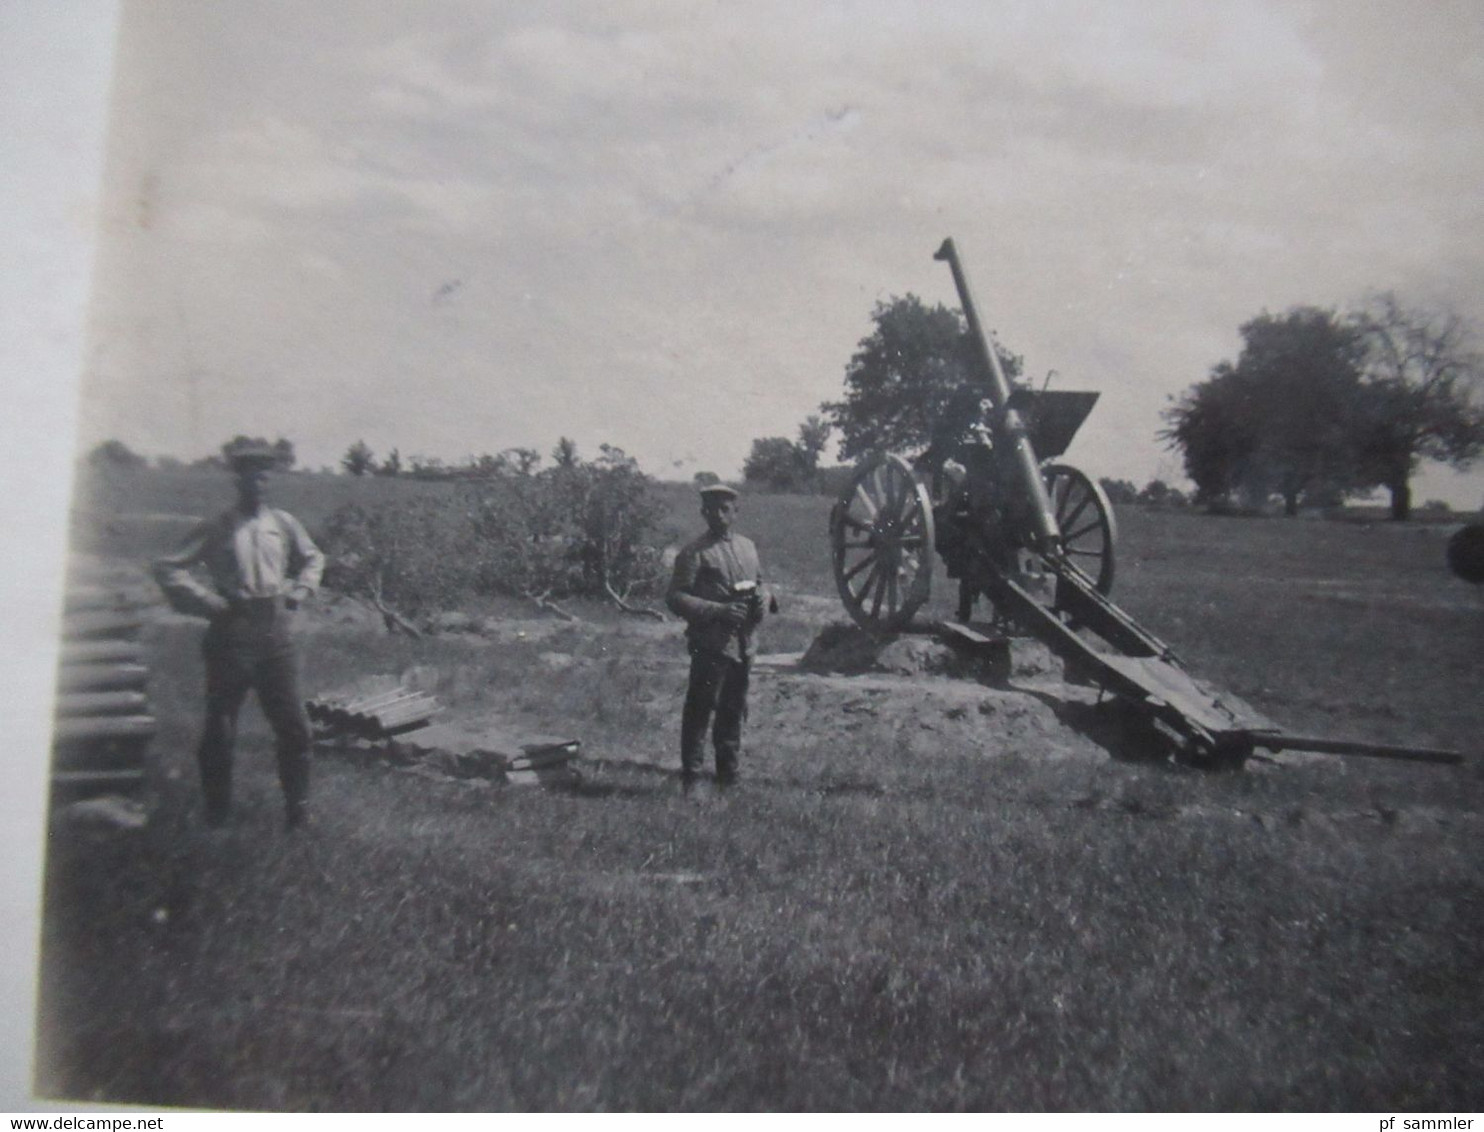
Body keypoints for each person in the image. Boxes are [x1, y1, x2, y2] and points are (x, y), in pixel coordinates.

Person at [152, 440, 325, 829]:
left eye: (265, 473)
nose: (258, 481)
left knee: (295, 725)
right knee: (221, 724)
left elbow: (313, 557)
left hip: (276, 630)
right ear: (238, 478)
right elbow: (168, 567)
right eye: (249, 473)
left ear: (271, 479)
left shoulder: (283, 523)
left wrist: (301, 590)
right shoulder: (218, 526)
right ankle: (217, 815)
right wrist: (207, 602)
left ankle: (298, 814)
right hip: (232, 630)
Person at [665, 484, 766, 793]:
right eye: (712, 509)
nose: (718, 515)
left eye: (725, 509)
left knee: (733, 710)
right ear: (703, 513)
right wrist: (717, 610)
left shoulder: (748, 547)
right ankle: (692, 778)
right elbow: (675, 597)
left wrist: (762, 600)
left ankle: (728, 776)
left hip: (744, 645)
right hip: (711, 643)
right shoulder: (694, 553)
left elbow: (760, 583)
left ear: (736, 512)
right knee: (699, 709)